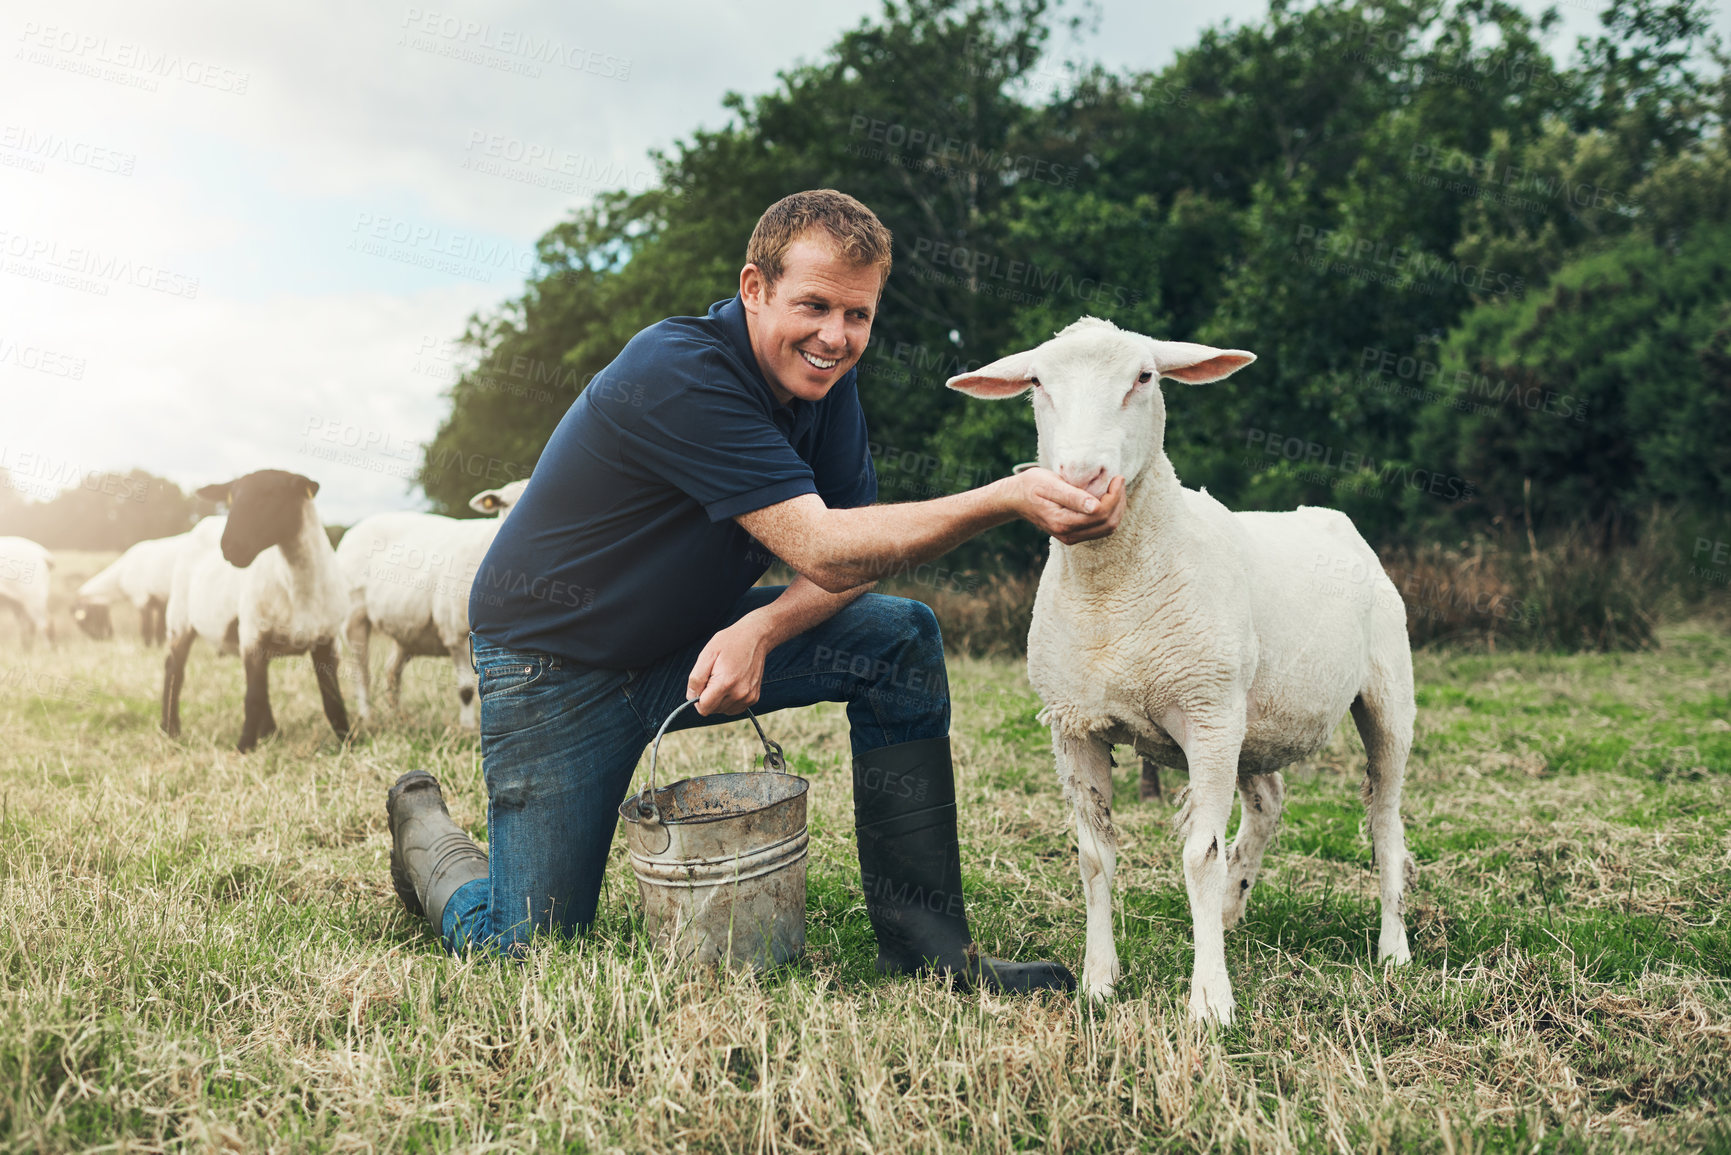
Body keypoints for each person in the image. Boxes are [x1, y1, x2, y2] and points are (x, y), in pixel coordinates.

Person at [386, 189, 1124, 992]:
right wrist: (1005, 496)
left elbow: (855, 556)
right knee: (528, 947)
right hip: (550, 665)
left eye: (858, 316)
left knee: (897, 636)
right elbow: (821, 545)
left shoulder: (823, 386)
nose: (835, 338)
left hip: (683, 637)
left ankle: (928, 958)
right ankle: (431, 839)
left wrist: (763, 630)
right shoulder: (677, 371)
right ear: (752, 288)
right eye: (813, 305)